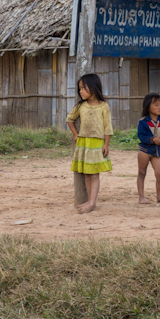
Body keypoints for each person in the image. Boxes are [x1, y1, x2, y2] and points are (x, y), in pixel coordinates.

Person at [66, 73, 113, 214]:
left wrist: (106, 144)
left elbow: (108, 127)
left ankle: (92, 203)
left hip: (97, 143)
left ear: (92, 87)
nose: (80, 91)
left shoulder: (103, 106)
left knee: (94, 175)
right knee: (87, 173)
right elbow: (69, 119)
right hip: (84, 143)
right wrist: (75, 134)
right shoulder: (81, 106)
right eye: (79, 88)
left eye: (83, 88)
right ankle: (90, 201)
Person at [137, 92, 160, 204]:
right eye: (156, 105)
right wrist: (152, 140)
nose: (159, 107)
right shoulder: (143, 122)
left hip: (156, 152)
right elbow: (141, 136)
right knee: (142, 173)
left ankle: (159, 196)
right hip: (144, 151)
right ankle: (141, 197)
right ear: (148, 107)